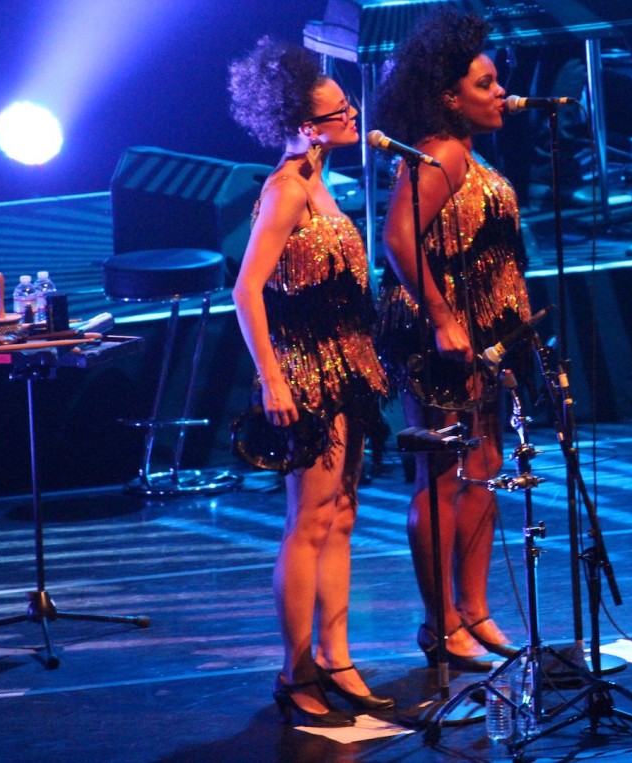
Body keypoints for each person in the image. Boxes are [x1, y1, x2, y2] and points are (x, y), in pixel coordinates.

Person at [228, 39, 392, 727]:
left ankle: (336, 655)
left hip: (345, 366)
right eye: (338, 113)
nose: (352, 117)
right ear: (303, 125)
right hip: (307, 372)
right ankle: (295, 672)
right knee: (309, 522)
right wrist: (273, 380)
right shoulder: (287, 189)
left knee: (341, 515)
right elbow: (246, 290)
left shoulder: (321, 180)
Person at [374, 9, 534, 672]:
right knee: (443, 471)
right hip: (439, 333)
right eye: (484, 84)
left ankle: (475, 610)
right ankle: (441, 622)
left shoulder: (466, 151)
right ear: (448, 96)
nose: (500, 93)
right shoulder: (440, 153)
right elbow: (397, 239)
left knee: (484, 462)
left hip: (483, 332)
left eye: (498, 81)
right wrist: (443, 317)